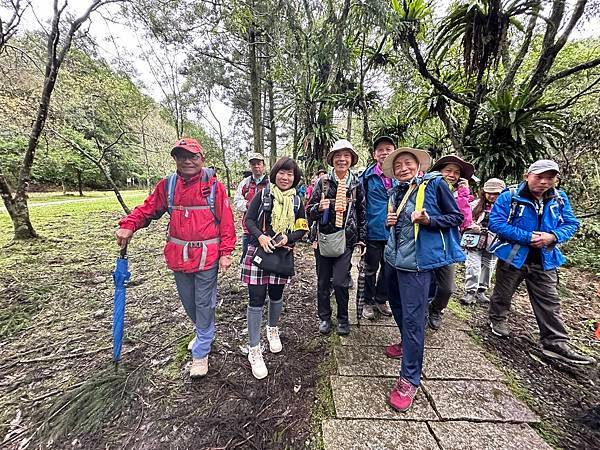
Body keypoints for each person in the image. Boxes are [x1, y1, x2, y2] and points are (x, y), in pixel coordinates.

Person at [115, 138, 236, 378]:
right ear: (175, 160)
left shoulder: (214, 187)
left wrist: (226, 252)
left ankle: (201, 352)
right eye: (182, 156)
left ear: (201, 159)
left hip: (207, 255)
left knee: (204, 301)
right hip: (179, 256)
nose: (187, 161)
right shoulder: (168, 186)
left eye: (192, 156)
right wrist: (129, 225)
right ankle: (203, 331)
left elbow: (226, 220)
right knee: (189, 301)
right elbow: (148, 208)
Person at [487, 160, 595, 365]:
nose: (544, 182)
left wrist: (552, 236)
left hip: (546, 258)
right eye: (539, 177)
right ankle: (498, 318)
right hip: (513, 255)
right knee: (503, 292)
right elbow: (496, 223)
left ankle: (555, 341)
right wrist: (528, 237)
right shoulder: (510, 196)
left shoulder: (559, 199)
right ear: (527, 176)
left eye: (550, 177)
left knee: (550, 300)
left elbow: (571, 223)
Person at [382, 147, 464, 412]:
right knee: (393, 302)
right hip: (394, 259)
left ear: (418, 166)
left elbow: (456, 217)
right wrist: (389, 222)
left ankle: (409, 379)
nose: (403, 168)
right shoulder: (395, 191)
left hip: (417, 264)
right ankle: (407, 343)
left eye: (408, 163)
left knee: (414, 318)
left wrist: (429, 220)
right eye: (398, 166)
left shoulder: (435, 184)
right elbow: (399, 226)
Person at [241, 157, 308, 379]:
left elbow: (303, 227)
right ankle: (254, 348)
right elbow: (248, 220)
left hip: (281, 254)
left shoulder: (297, 201)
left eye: (290, 174)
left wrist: (288, 237)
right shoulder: (262, 195)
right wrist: (260, 236)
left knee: (276, 296)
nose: (285, 177)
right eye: (282, 172)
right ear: (275, 174)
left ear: (295, 178)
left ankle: (272, 329)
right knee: (256, 299)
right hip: (259, 253)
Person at [306, 139, 366, 336]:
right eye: (338, 156)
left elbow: (362, 213)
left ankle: (342, 318)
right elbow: (308, 212)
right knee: (323, 281)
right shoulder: (322, 183)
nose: (342, 159)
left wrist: (361, 239)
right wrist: (319, 207)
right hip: (323, 239)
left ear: (351, 159)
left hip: (346, 240)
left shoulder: (356, 184)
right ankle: (324, 318)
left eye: (346, 156)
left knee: (340, 282)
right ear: (332, 160)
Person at [426, 155, 475, 330]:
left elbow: (464, 220)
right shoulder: (429, 188)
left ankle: (436, 309)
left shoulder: (460, 195)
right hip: (428, 242)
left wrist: (463, 194)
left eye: (456, 173)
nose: (452, 175)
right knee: (427, 282)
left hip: (449, 245)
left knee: (446, 287)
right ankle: (425, 309)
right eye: (448, 171)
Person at [358, 136, 398, 320]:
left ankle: (381, 299)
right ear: (375, 154)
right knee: (370, 268)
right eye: (380, 150)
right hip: (373, 230)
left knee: (390, 268)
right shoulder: (366, 177)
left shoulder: (401, 175)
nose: (384, 153)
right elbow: (360, 205)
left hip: (396, 232)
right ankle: (367, 301)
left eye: (388, 149)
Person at [461, 178, 505, 305]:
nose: (492, 196)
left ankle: (481, 290)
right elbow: (464, 219)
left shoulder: (505, 208)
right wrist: (472, 226)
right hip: (474, 241)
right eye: (489, 192)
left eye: (496, 193)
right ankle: (470, 292)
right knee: (473, 266)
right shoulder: (475, 205)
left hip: (493, 242)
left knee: (488, 266)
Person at [234, 153, 269, 262]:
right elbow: (236, 202)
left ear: (264, 166)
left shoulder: (271, 184)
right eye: (253, 164)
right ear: (250, 166)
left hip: (266, 228)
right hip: (248, 228)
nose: (256, 166)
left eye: (259, 163)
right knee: (246, 256)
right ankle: (245, 276)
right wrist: (250, 205)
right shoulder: (245, 183)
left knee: (265, 256)